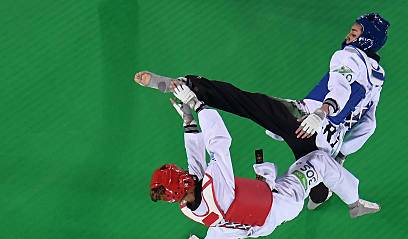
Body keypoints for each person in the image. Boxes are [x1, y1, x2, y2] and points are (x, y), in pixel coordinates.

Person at [135, 12, 389, 210]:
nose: (349, 35)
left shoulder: (347, 57)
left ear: (367, 39)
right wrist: (342, 153)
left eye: (355, 32)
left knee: (247, 102)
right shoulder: (378, 77)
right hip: (329, 140)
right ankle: (319, 197)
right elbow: (369, 124)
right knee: (315, 167)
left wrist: (322, 111)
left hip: (304, 119)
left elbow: (340, 87)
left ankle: (181, 85)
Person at [147, 83, 380, 239]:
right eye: (181, 177)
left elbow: (195, 165)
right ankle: (354, 203)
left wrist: (189, 123)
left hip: (250, 225)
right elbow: (218, 143)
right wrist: (199, 106)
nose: (185, 174)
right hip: (282, 202)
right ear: (182, 187)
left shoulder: (188, 206)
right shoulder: (214, 188)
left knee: (219, 235)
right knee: (319, 161)